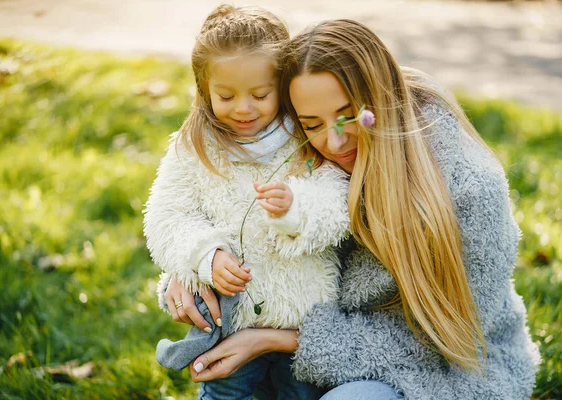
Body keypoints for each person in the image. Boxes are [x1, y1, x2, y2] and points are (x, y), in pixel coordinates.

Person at [160, 19, 541, 400]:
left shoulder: (470, 189)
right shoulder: (307, 157)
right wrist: (193, 264)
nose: (335, 140)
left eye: (346, 115)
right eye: (312, 123)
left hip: (450, 369)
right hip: (332, 355)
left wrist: (277, 340)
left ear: (379, 98)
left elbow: (446, 339)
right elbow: (242, 226)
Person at [144, 6, 351, 400]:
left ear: (282, 85)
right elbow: (166, 216)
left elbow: (339, 200)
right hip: (231, 320)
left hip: (302, 321)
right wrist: (207, 255)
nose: (243, 109)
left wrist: (296, 210)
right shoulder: (195, 147)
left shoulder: (305, 136)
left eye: (260, 95)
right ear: (204, 90)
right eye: (226, 96)